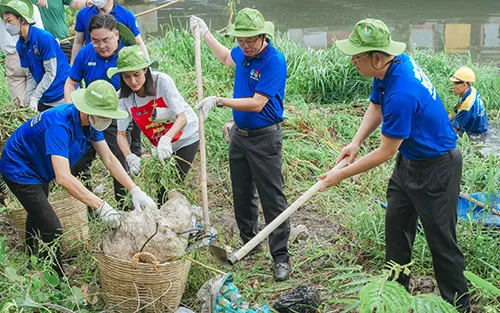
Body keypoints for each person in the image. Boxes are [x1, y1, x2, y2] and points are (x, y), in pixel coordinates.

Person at [319, 19, 470, 312]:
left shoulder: (403, 92)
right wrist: (355, 142)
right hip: (409, 163)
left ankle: (458, 306)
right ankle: (393, 298)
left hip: (437, 168)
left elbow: (386, 151)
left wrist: (340, 175)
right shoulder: (392, 65)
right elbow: (376, 104)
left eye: (356, 56)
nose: (352, 61)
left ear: (376, 57)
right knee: (397, 229)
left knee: (442, 242)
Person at [0, 80, 156, 276]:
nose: (106, 120)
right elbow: (63, 177)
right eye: (103, 116)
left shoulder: (91, 123)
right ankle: (55, 278)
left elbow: (108, 158)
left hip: (39, 166)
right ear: (87, 110)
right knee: (52, 228)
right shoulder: (59, 124)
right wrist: (100, 205)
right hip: (19, 167)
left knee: (38, 211)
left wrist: (134, 189)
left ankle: (33, 258)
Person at [190, 8, 291, 281]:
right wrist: (205, 32)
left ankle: (280, 256)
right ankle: (250, 241)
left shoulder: (273, 61)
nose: (245, 46)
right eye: (240, 41)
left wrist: (220, 101)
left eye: (250, 41)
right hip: (239, 137)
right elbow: (225, 57)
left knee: (272, 198)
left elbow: (258, 103)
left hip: (265, 138)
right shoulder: (243, 55)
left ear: (263, 36)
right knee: (242, 193)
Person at [64, 13, 140, 209]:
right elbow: (71, 82)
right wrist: (71, 106)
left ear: (116, 34)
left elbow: (139, 83)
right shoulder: (86, 53)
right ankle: (89, 208)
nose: (101, 45)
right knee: (79, 163)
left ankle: (125, 208)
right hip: (88, 114)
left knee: (118, 160)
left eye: (106, 40)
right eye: (96, 41)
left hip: (116, 115)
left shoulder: (126, 54)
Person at [107, 45, 199, 204]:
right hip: (159, 141)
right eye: (126, 77)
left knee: (174, 183)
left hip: (186, 136)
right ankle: (163, 220)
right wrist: (130, 157)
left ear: (145, 70)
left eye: (136, 74)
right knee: (161, 188)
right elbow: (121, 135)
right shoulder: (122, 98)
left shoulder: (162, 82)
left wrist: (166, 139)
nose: (133, 81)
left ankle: (179, 215)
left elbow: (182, 118)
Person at [0, 0, 70, 112]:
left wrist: (35, 96)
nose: (7, 26)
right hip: (45, 97)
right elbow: (30, 75)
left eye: (9, 21)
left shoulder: (44, 38)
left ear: (22, 19)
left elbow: (51, 72)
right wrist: (28, 99)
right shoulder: (20, 45)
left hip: (61, 93)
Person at [70, 0, 148, 65]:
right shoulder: (83, 14)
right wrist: (72, 66)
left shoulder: (126, 16)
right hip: (93, 64)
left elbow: (138, 43)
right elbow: (78, 42)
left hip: (120, 64)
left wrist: (147, 65)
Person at [0, 0, 44, 106]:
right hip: (32, 55)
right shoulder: (33, 9)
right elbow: (39, 35)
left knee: (20, 105)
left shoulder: (2, 14)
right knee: (38, 102)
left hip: (13, 59)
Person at [448, 67, 488, 136]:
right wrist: (443, 122)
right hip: (481, 125)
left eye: (456, 84)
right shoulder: (472, 90)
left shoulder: (467, 106)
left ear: (464, 85)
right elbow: (455, 111)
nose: (453, 87)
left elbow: (453, 129)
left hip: (476, 134)